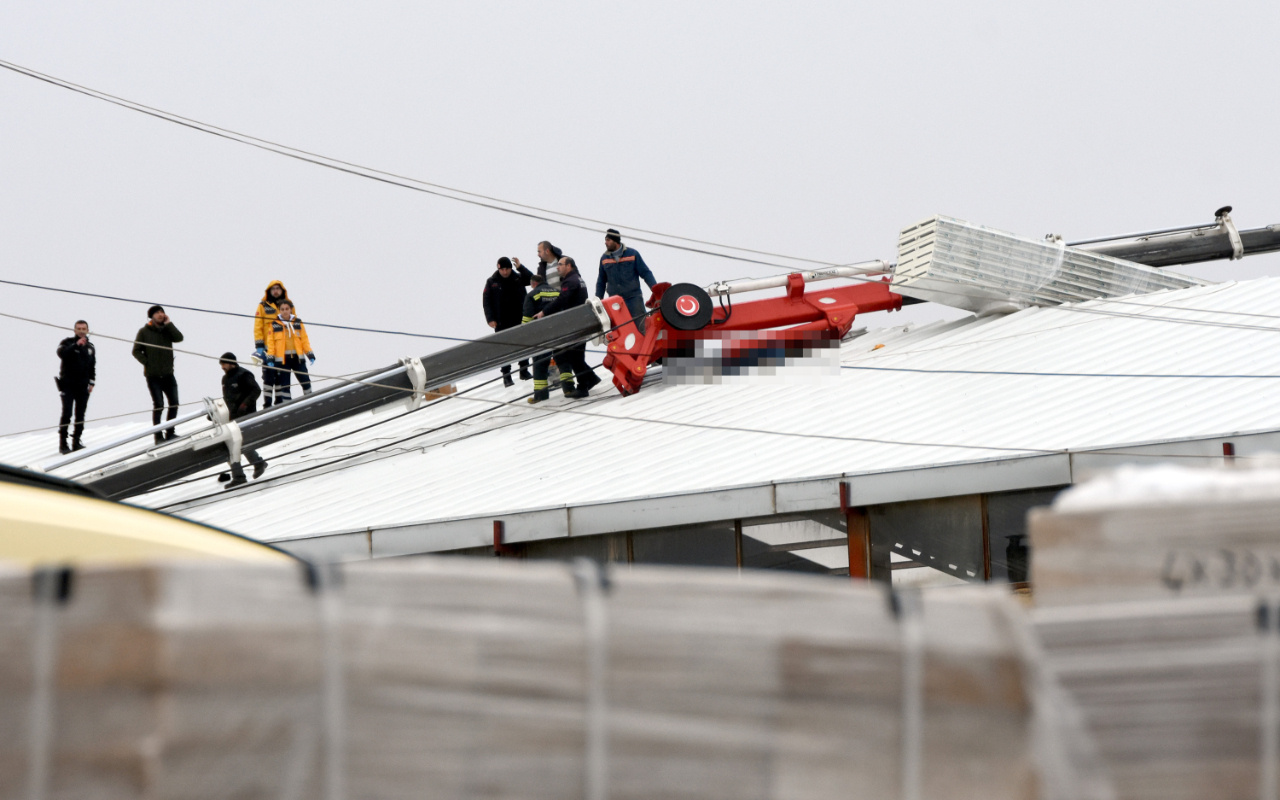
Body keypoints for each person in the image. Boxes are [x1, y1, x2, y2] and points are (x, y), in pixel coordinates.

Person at [533, 256, 601, 400]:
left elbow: (562, 299)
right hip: (581, 322)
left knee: (574, 357)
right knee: (576, 356)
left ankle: (583, 387)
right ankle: (591, 378)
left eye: (560, 264)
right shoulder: (577, 278)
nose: (557, 267)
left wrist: (544, 312)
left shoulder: (570, 281)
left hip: (576, 324)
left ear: (568, 266)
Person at [131, 305, 184, 445]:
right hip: (153, 375)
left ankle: (170, 432)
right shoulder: (144, 332)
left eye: (162, 312)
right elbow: (136, 351)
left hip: (168, 374)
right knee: (159, 404)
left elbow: (179, 338)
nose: (160, 314)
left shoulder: (167, 330)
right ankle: (158, 436)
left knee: (174, 403)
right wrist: (147, 363)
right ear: (151, 316)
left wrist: (169, 324)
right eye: (157, 313)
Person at [482, 256, 534, 387]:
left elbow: (531, 279)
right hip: (501, 321)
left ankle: (524, 370)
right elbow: (486, 302)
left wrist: (520, 267)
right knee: (504, 348)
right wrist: (490, 319)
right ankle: (506, 376)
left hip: (519, 317)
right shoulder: (491, 282)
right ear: (498, 269)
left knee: (523, 344)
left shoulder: (517, 278)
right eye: (502, 269)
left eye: (507, 269)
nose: (505, 272)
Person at [218, 353, 267, 489]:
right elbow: (227, 398)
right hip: (232, 417)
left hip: (246, 415)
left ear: (231, 362)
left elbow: (255, 390)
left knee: (240, 443)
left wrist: (245, 404)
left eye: (223, 364)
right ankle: (248, 470)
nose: (222, 367)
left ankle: (252, 467)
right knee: (232, 445)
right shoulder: (225, 379)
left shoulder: (244, 375)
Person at [596, 228, 657, 332]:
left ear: (615, 240)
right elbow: (601, 281)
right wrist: (598, 300)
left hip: (633, 299)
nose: (605, 243)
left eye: (608, 240)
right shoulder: (604, 258)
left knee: (641, 327)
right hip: (615, 302)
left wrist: (655, 290)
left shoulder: (632, 254)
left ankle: (644, 346)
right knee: (620, 330)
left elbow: (645, 273)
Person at [55, 320, 96, 454]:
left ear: (87, 330)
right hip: (68, 384)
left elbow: (92, 366)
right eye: (78, 328)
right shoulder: (67, 342)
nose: (81, 331)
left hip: (83, 385)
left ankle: (76, 440)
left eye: (84, 328)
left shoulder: (90, 347)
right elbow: (62, 354)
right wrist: (76, 345)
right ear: (74, 330)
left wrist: (92, 382)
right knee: (67, 413)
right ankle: (63, 443)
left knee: (80, 414)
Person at [254, 280, 294, 408]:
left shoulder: (288, 305)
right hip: (267, 347)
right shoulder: (263, 306)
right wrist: (259, 346)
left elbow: (295, 325)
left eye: (278, 288)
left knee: (281, 376)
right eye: (273, 289)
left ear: (282, 290)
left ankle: (280, 401)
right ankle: (267, 403)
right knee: (268, 376)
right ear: (269, 291)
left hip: (283, 348)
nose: (276, 291)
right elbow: (258, 326)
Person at [522, 272, 561, 403]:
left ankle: (541, 395)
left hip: (541, 334)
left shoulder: (532, 295)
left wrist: (524, 336)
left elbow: (527, 319)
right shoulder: (557, 292)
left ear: (533, 284)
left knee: (539, 364)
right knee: (563, 360)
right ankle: (568, 387)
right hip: (558, 332)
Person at [266, 300, 314, 403]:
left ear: (290, 309)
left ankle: (310, 399)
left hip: (297, 358)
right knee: (285, 384)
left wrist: (310, 354)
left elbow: (304, 340)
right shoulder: (274, 325)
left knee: (305, 380)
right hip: (283, 360)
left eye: (287, 309)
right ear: (279, 311)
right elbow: (271, 343)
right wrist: (270, 357)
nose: (285, 311)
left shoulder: (297, 322)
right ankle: (287, 404)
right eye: (282, 309)